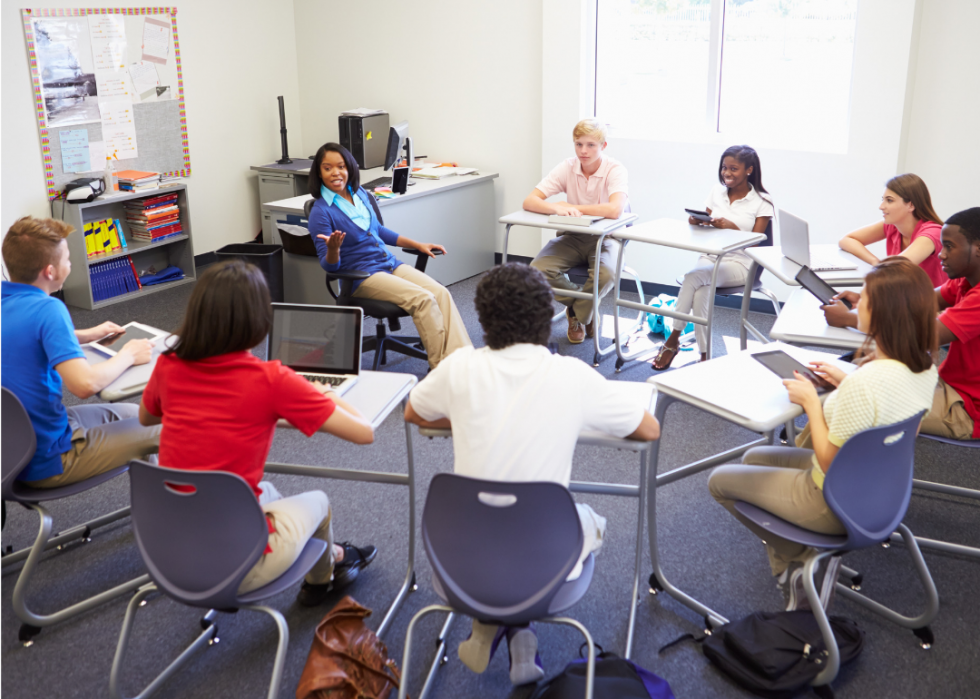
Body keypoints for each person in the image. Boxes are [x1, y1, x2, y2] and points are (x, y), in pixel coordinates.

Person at [403, 262, 660, 686]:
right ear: (548, 315)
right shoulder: (571, 375)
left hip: (460, 559)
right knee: (584, 521)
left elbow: (415, 412)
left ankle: (499, 631)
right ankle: (520, 633)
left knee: (506, 532)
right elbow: (648, 429)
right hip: (544, 564)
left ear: (483, 320)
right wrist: (569, 418)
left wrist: (469, 417)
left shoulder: (459, 366)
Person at [139, 260, 378, 604]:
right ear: (258, 320)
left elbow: (147, 419)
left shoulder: (169, 364)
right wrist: (330, 395)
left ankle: (334, 555)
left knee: (266, 489)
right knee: (320, 503)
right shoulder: (271, 379)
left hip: (168, 552)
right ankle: (321, 582)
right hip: (238, 565)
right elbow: (364, 432)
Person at [709, 257, 939, 611]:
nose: (855, 303)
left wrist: (811, 404)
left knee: (720, 481)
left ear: (883, 315)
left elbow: (829, 461)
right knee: (754, 457)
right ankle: (806, 558)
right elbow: (899, 419)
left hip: (833, 500)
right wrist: (845, 382)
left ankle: (802, 561)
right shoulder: (924, 368)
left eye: (863, 299)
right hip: (882, 491)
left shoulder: (867, 381)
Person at [1, 216, 160, 487]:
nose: (71, 264)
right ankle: (179, 513)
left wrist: (81, 335)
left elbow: (23, 335)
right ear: (50, 272)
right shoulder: (49, 310)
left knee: (135, 413)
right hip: (50, 459)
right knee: (165, 427)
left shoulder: (7, 299)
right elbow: (85, 385)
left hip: (13, 448)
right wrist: (129, 354)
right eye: (67, 260)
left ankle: (157, 502)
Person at [307, 142, 471, 370]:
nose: (336, 172)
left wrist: (418, 244)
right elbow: (329, 266)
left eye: (341, 166)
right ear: (319, 173)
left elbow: (380, 232)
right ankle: (441, 371)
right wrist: (334, 249)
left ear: (349, 168)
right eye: (327, 168)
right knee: (423, 299)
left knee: (440, 293)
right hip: (363, 276)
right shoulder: (321, 212)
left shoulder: (360, 194)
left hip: (388, 263)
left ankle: (464, 363)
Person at [825, 208, 980, 440]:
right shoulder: (963, 283)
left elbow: (921, 335)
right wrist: (868, 298)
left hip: (966, 409)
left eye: (949, 246)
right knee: (856, 369)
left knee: (848, 397)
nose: (941, 255)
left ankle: (838, 471)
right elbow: (917, 300)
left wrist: (849, 318)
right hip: (949, 385)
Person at [653, 145, 774, 369]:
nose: (726, 173)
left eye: (733, 169)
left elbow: (758, 241)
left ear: (749, 170)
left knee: (692, 278)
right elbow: (706, 222)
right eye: (724, 168)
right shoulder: (716, 191)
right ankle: (705, 356)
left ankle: (672, 341)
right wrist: (698, 221)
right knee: (700, 294)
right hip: (711, 256)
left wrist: (732, 227)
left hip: (740, 263)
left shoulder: (763, 201)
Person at [525, 118, 628, 344]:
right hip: (574, 236)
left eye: (591, 145)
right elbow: (530, 201)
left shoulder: (615, 169)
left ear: (603, 146)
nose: (584, 151)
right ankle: (585, 309)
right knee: (537, 271)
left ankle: (579, 314)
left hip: (606, 237)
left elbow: (614, 210)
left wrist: (571, 207)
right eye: (579, 144)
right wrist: (555, 207)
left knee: (607, 274)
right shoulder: (567, 166)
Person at [837, 173, 948, 286]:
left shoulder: (933, 232)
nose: (881, 206)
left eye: (889, 200)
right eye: (883, 200)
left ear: (911, 205)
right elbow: (846, 240)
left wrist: (881, 266)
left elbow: (895, 269)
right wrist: (875, 262)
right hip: (904, 298)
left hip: (930, 302)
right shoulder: (892, 225)